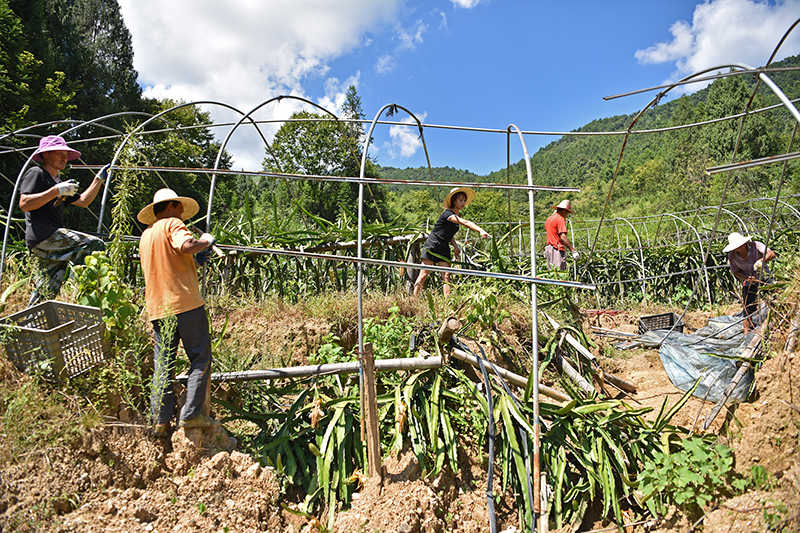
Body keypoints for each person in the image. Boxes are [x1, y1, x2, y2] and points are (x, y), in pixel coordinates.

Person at [137, 188, 218, 437]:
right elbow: (186, 245)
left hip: (159, 309)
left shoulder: (146, 235)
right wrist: (205, 241)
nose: (183, 214)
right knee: (200, 357)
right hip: (185, 304)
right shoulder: (172, 223)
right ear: (170, 206)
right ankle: (191, 414)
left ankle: (160, 421)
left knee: (164, 364)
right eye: (180, 208)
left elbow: (168, 262)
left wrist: (194, 261)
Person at [19, 135, 109, 306]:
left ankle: (28, 328)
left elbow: (83, 201)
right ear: (45, 155)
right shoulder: (37, 173)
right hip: (44, 236)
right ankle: (88, 297)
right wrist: (55, 191)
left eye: (66, 154)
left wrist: (99, 179)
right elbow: (24, 204)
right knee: (93, 245)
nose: (64, 157)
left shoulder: (58, 182)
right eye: (59, 153)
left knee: (46, 291)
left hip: (49, 242)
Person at [413, 186, 490, 298]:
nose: (463, 203)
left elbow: (449, 234)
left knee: (447, 275)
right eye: (460, 200)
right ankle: (414, 300)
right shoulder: (448, 214)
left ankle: (447, 302)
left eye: (464, 200)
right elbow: (465, 222)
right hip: (433, 244)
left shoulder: (458, 216)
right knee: (424, 274)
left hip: (444, 246)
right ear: (453, 201)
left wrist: (455, 246)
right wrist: (480, 230)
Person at [723, 232, 776, 333]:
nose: (739, 247)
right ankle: (747, 333)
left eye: (740, 244)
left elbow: (771, 254)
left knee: (777, 295)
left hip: (764, 277)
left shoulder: (756, 245)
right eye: (736, 246)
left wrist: (761, 261)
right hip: (749, 282)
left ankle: (777, 319)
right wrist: (746, 277)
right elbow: (736, 272)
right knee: (748, 307)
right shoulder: (732, 256)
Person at [544, 199, 578, 270]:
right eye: (567, 212)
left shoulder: (549, 218)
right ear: (564, 210)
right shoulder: (560, 219)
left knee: (552, 272)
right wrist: (573, 250)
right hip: (556, 248)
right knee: (559, 273)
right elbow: (562, 236)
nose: (567, 215)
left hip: (549, 248)